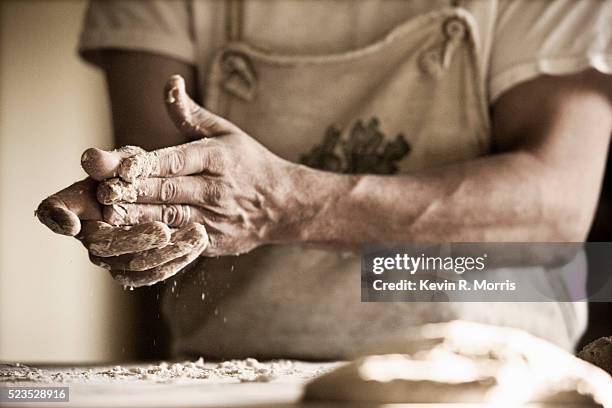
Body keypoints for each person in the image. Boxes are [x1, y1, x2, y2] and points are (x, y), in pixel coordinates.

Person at [37, 0, 612, 359]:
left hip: (503, 359)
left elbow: (555, 210)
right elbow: (160, 183)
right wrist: (132, 205)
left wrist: (289, 205)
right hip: (233, 372)